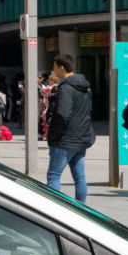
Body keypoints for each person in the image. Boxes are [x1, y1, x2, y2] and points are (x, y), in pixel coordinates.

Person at [44, 54, 94, 203]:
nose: (53, 72)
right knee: (79, 176)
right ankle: (82, 208)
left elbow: (62, 115)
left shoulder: (66, 88)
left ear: (61, 67)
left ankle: (55, 210)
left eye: (54, 68)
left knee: (53, 175)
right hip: (81, 138)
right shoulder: (85, 87)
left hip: (65, 140)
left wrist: (53, 137)